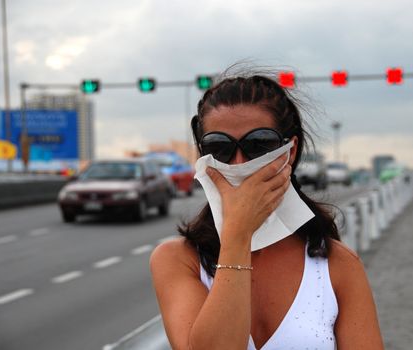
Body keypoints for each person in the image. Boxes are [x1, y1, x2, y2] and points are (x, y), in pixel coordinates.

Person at [150, 73, 384, 349]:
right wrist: (238, 234)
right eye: (219, 147)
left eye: (258, 144)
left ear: (290, 150)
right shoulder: (178, 259)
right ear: (204, 155)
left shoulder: (337, 264)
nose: (238, 163)